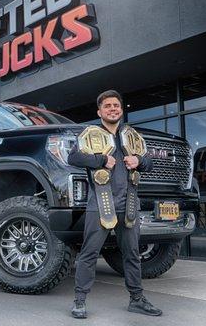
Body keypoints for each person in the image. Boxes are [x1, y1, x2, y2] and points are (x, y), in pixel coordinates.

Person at [68, 90, 162, 319]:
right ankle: (80, 301)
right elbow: (73, 158)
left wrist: (139, 160)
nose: (112, 109)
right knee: (89, 253)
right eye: (107, 106)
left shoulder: (132, 136)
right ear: (99, 111)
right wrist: (100, 159)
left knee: (131, 254)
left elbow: (149, 162)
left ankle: (137, 300)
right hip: (100, 203)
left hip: (128, 202)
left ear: (121, 109)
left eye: (116, 105)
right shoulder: (90, 134)